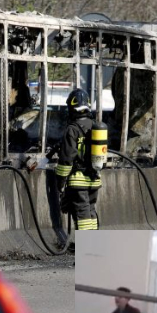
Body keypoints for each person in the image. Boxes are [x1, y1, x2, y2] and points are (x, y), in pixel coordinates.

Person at [57, 89, 101, 230]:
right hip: (94, 179)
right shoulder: (95, 126)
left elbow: (66, 160)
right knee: (91, 210)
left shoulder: (72, 129)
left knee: (82, 214)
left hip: (78, 180)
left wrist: (60, 182)